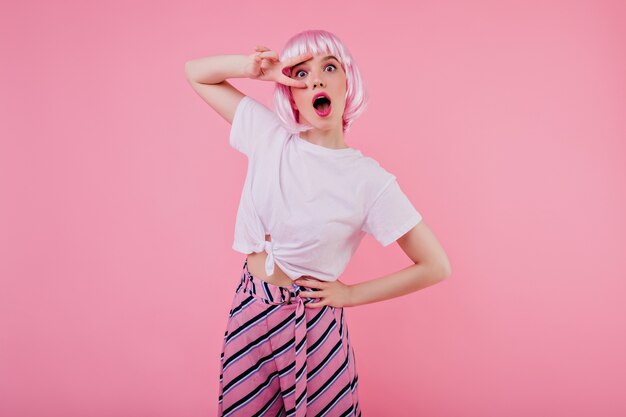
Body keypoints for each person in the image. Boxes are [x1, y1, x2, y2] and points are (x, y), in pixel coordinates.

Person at [185, 29, 451, 417]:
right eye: (301, 73)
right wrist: (253, 69)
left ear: (348, 82)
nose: (317, 80)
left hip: (313, 323)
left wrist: (351, 295)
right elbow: (195, 72)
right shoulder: (268, 136)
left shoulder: (369, 180)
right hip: (250, 309)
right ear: (291, 92)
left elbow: (436, 265)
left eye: (329, 67)